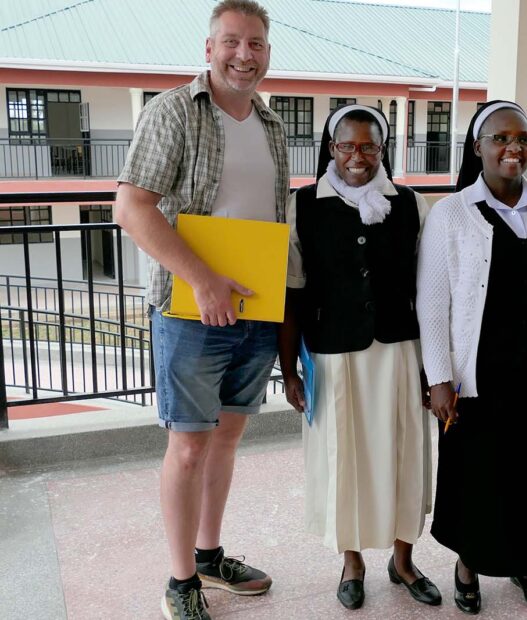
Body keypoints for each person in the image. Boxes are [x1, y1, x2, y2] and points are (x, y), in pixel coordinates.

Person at [114, 2, 287, 618]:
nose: (245, 54)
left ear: (268, 51)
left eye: (257, 44)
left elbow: (272, 222)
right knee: (188, 447)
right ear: (208, 47)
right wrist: (204, 281)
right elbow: (132, 208)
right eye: (233, 42)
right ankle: (181, 580)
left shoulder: (271, 125)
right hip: (190, 312)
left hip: (255, 311)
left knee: (228, 439)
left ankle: (210, 557)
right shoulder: (172, 113)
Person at [417, 100, 527, 614]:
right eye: (501, 138)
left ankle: (523, 561)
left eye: (524, 140)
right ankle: (468, 564)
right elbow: (432, 301)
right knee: (477, 473)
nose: (514, 148)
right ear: (478, 147)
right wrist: (440, 376)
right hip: (477, 373)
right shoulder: (452, 213)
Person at [278, 105, 440, 611]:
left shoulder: (413, 205)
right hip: (333, 353)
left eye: (369, 146)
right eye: (346, 145)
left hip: (399, 349)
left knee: (405, 453)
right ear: (331, 148)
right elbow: (291, 293)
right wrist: (288, 369)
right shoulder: (302, 206)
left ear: (383, 150)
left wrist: (435, 370)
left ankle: (404, 560)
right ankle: (351, 563)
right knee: (343, 457)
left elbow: (432, 293)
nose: (357, 156)